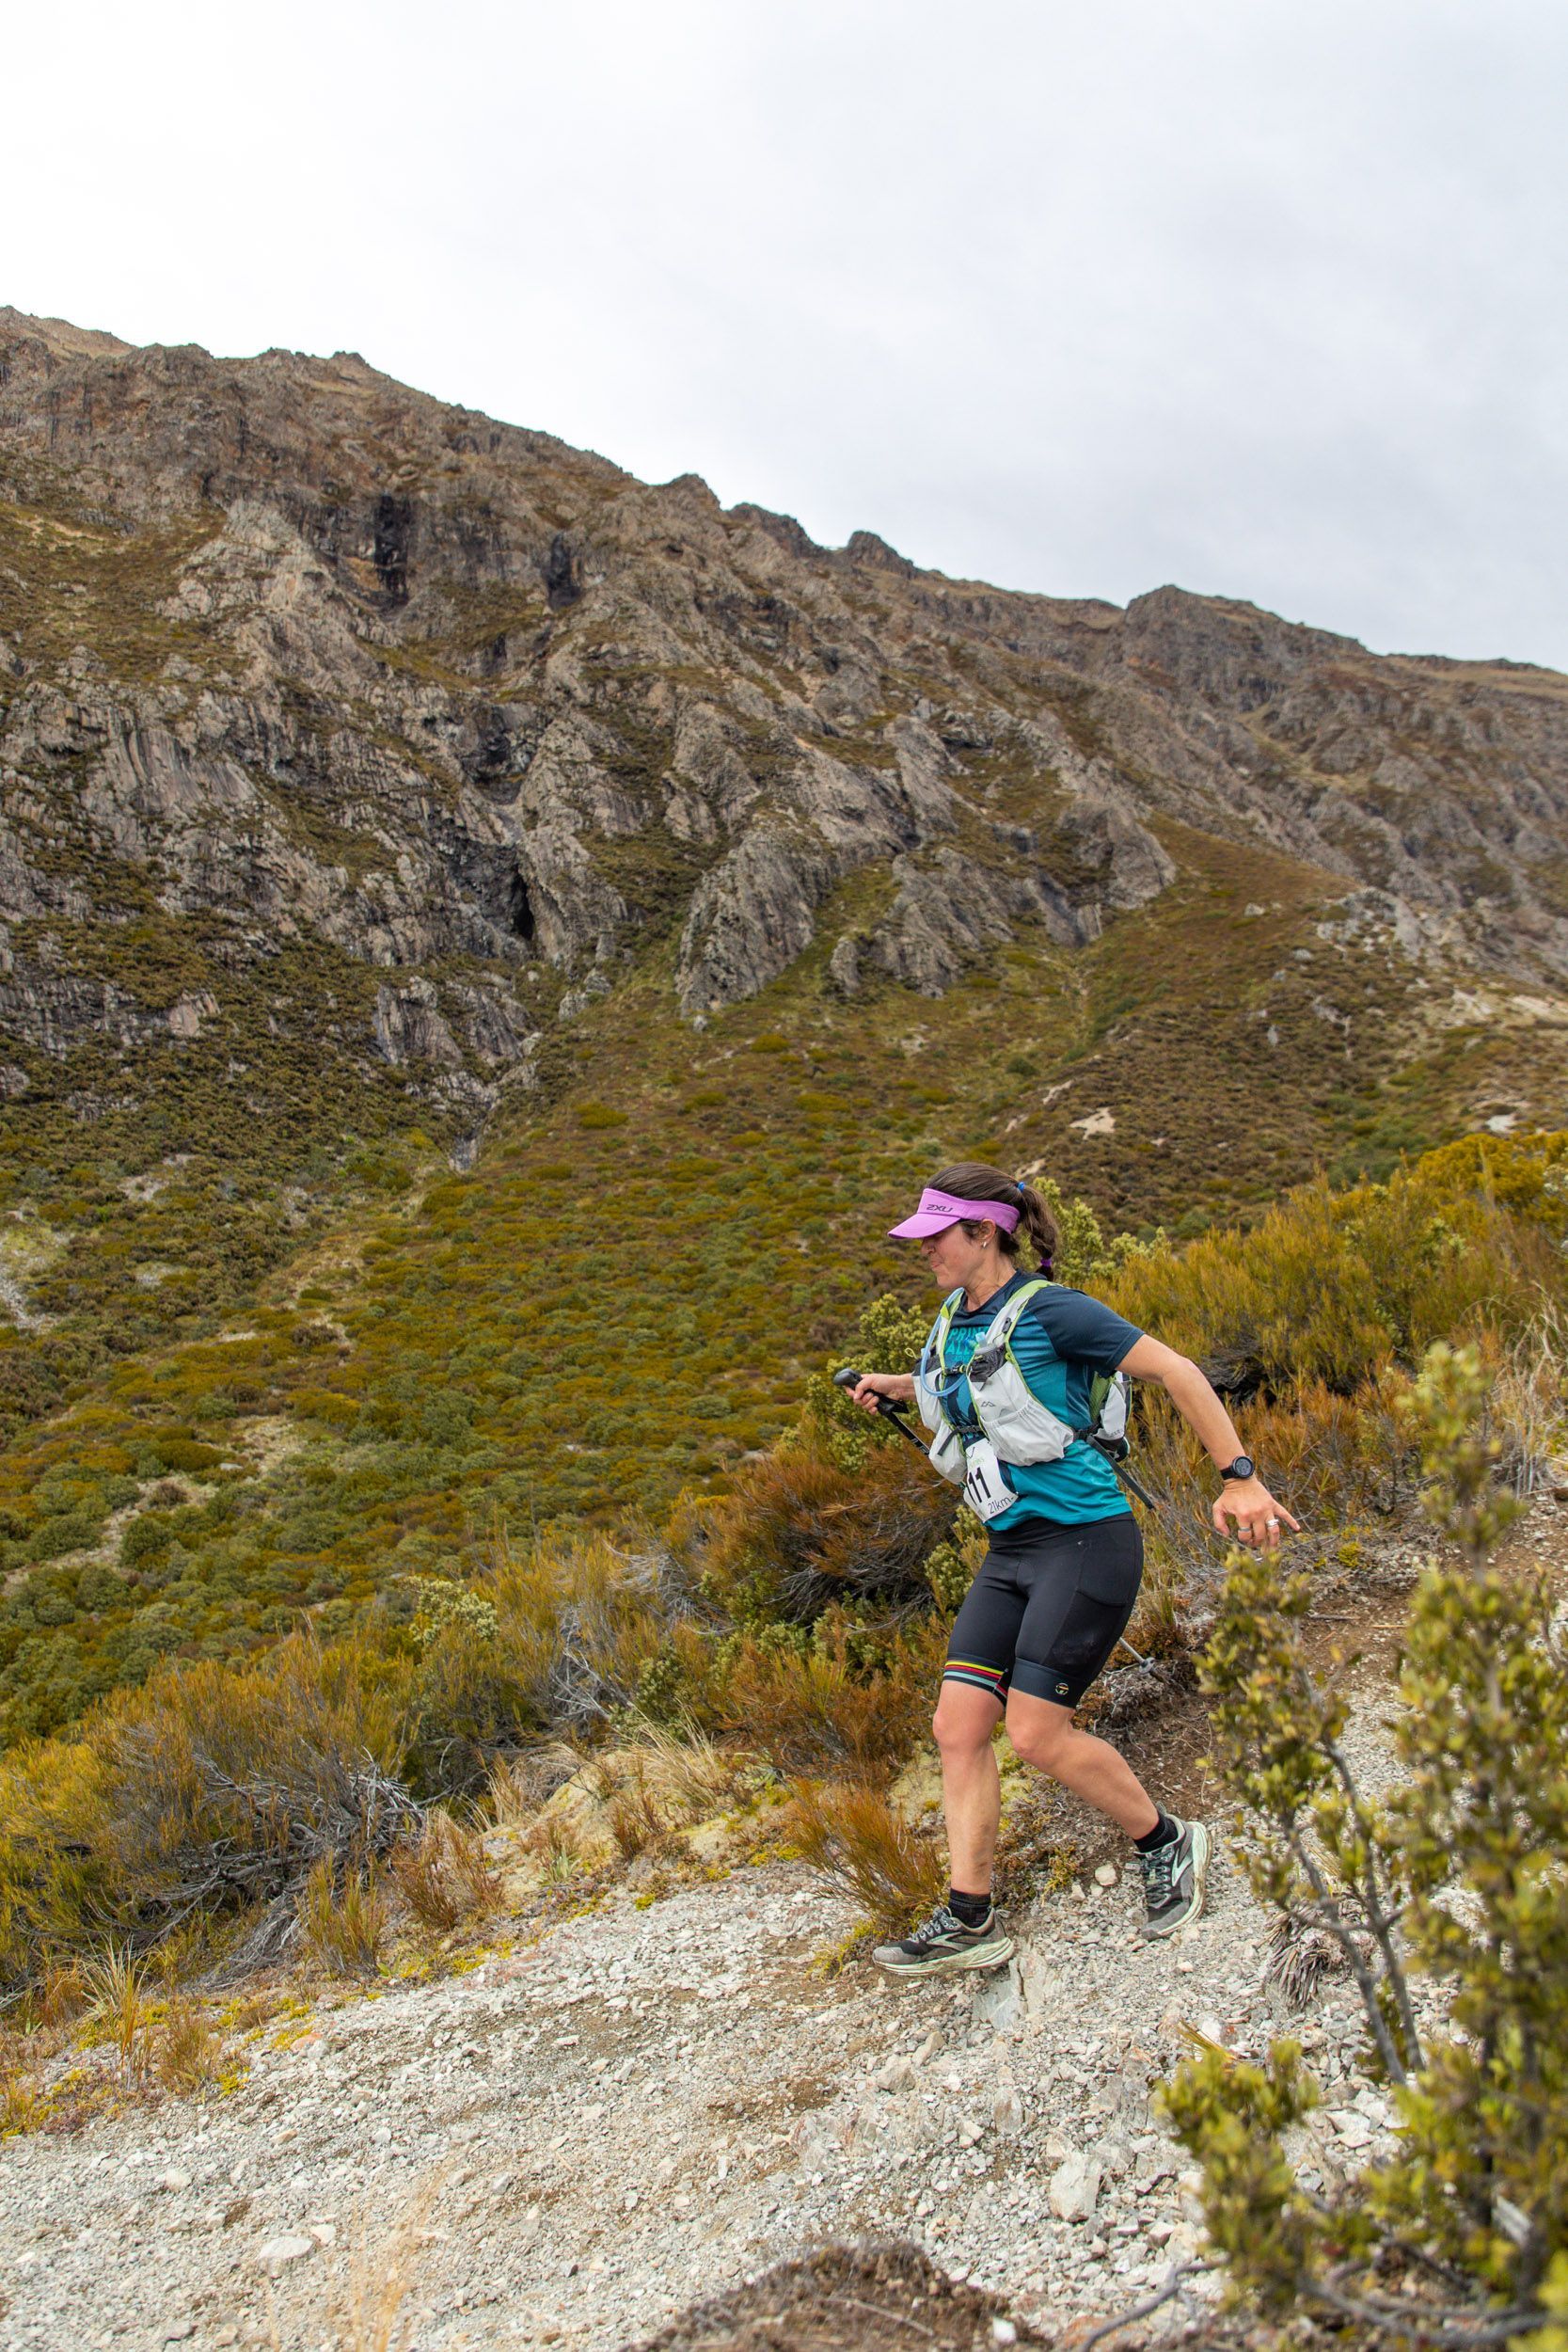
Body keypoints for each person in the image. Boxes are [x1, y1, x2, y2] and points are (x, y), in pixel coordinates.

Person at [848, 1161, 1300, 1975]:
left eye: (935, 1236)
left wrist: (1242, 1480)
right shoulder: (956, 1317)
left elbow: (1177, 1372)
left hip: (1085, 1542)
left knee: (1033, 1732)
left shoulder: (1055, 1312)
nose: (923, 1252)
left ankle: (1167, 1842)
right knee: (957, 1727)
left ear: (983, 1232)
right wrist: (897, 1384)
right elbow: (968, 1386)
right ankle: (969, 1916)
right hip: (1011, 1550)